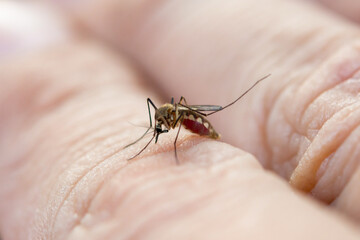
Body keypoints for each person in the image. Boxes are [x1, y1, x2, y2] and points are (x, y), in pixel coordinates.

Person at [1, 0, 360, 239]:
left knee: (186, 111)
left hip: (191, 117)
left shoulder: (176, 120)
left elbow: (174, 116)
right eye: (158, 126)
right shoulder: (160, 117)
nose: (158, 129)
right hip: (177, 116)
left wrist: (175, 134)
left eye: (158, 127)